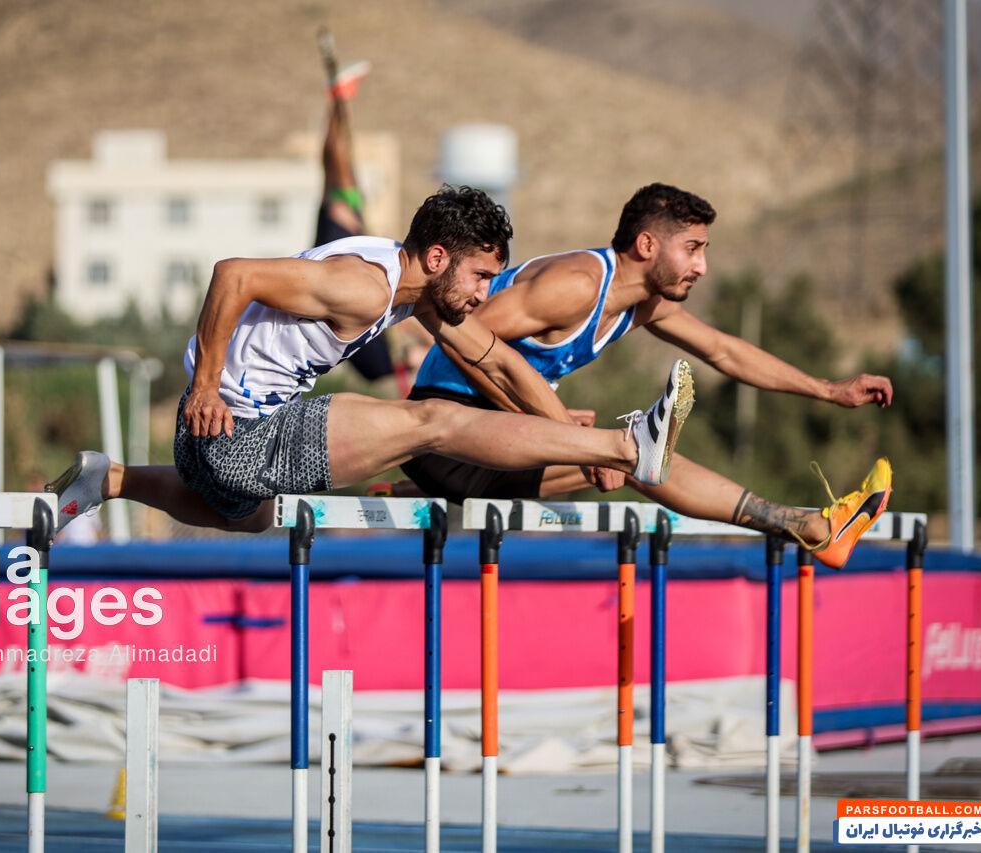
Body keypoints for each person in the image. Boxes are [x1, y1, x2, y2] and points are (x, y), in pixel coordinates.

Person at [48, 186, 695, 534]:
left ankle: (113, 479)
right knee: (433, 421)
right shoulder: (364, 286)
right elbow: (233, 274)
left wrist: (564, 429)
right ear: (437, 257)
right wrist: (206, 387)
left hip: (210, 451)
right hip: (233, 431)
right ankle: (629, 444)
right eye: (480, 276)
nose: (484, 294)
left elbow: (496, 362)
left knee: (254, 517)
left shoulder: (416, 292)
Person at [383, 183, 892, 568]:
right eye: (692, 248)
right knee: (630, 454)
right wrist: (552, 423)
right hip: (447, 435)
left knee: (639, 456)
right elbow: (463, 342)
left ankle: (811, 527)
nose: (702, 266)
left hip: (491, 445)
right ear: (647, 245)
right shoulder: (575, 285)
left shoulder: (641, 304)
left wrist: (829, 389)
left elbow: (725, 352)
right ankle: (809, 526)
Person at [312, 27, 401, 388]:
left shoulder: (380, 363)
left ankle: (339, 99)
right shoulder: (380, 362)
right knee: (336, 161)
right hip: (345, 231)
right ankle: (339, 99)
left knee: (335, 161)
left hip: (342, 231)